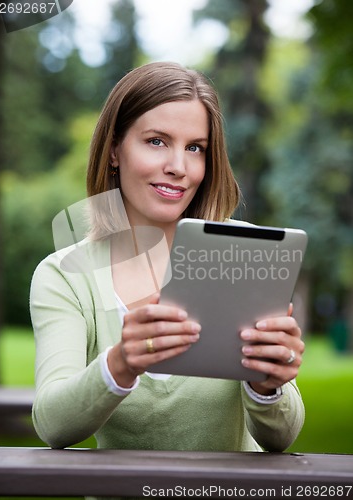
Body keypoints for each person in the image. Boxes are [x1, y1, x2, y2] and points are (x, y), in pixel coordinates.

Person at [30, 61, 305, 455]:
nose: (178, 167)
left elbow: (282, 438)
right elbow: (53, 425)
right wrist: (121, 362)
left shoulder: (244, 255)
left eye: (195, 148)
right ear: (113, 150)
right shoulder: (65, 276)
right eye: (157, 141)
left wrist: (267, 384)